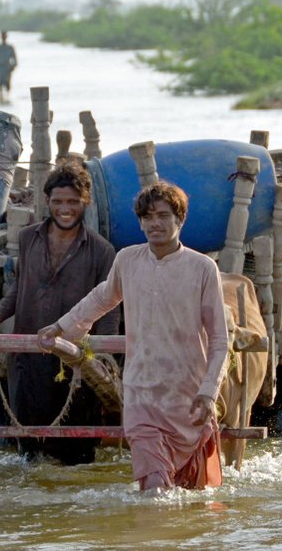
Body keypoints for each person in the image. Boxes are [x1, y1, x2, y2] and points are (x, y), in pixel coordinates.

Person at [38, 181, 229, 491]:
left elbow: (220, 339)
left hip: (186, 393)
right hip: (140, 391)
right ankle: (148, 533)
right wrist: (61, 326)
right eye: (148, 217)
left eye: (163, 216)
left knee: (188, 490)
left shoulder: (203, 268)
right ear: (140, 222)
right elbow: (103, 297)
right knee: (153, 486)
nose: (155, 224)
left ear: (180, 219)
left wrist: (208, 392)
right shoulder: (127, 260)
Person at [0, 162, 119, 465]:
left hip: (75, 365)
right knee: (29, 454)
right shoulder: (29, 238)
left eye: (72, 201)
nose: (65, 209)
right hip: (29, 357)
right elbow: (20, 287)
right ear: (47, 202)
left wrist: (104, 356)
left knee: (76, 457)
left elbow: (109, 306)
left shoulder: (102, 251)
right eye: (58, 202)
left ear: (86, 202)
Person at [0, 31, 18, 103]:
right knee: (0, 83)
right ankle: (1, 97)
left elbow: (14, 58)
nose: (3, 37)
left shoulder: (10, 47)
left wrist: (14, 66)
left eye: (4, 36)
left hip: (7, 68)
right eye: (2, 36)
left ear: (6, 37)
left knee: (7, 83)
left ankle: (8, 97)